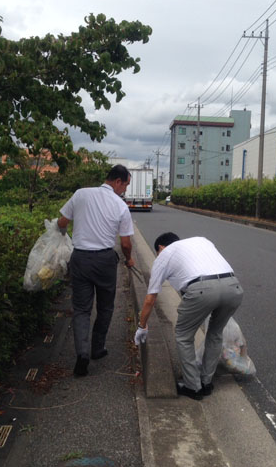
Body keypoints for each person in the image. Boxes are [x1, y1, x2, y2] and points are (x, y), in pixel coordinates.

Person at [134, 232, 243, 400]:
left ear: (161, 248)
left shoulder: (164, 255)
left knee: (183, 335)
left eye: (157, 252)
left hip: (202, 290)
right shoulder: (201, 240)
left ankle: (193, 387)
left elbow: (150, 298)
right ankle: (207, 382)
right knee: (215, 334)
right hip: (233, 287)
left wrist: (142, 326)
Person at [57, 165, 135, 377]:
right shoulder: (120, 206)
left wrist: (64, 235)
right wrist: (129, 260)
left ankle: (82, 354)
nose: (125, 190)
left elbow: (62, 222)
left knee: (81, 309)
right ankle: (97, 348)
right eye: (125, 185)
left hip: (80, 258)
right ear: (117, 181)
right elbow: (126, 244)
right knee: (105, 307)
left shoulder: (81, 194)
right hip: (104, 261)